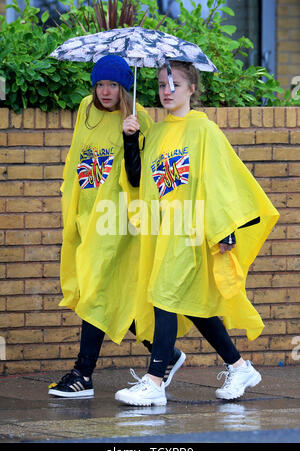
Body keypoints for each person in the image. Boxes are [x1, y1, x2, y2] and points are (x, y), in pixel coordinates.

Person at [115, 60, 279, 406]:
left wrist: (226, 230)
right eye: (161, 84)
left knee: (164, 296)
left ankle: (155, 382)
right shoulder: (155, 134)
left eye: (175, 84)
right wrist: (131, 140)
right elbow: (136, 179)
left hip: (194, 231)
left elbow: (220, 181)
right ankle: (239, 366)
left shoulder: (205, 132)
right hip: (165, 233)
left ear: (192, 89)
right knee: (194, 305)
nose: (167, 91)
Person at [48, 55, 186, 398]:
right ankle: (164, 352)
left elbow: (143, 178)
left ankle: (83, 373)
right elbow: (75, 158)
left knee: (96, 289)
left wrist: (131, 138)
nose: (105, 91)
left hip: (118, 220)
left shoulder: (139, 119)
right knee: (110, 292)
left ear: (124, 87)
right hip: (87, 216)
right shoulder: (85, 108)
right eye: (99, 84)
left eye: (112, 84)